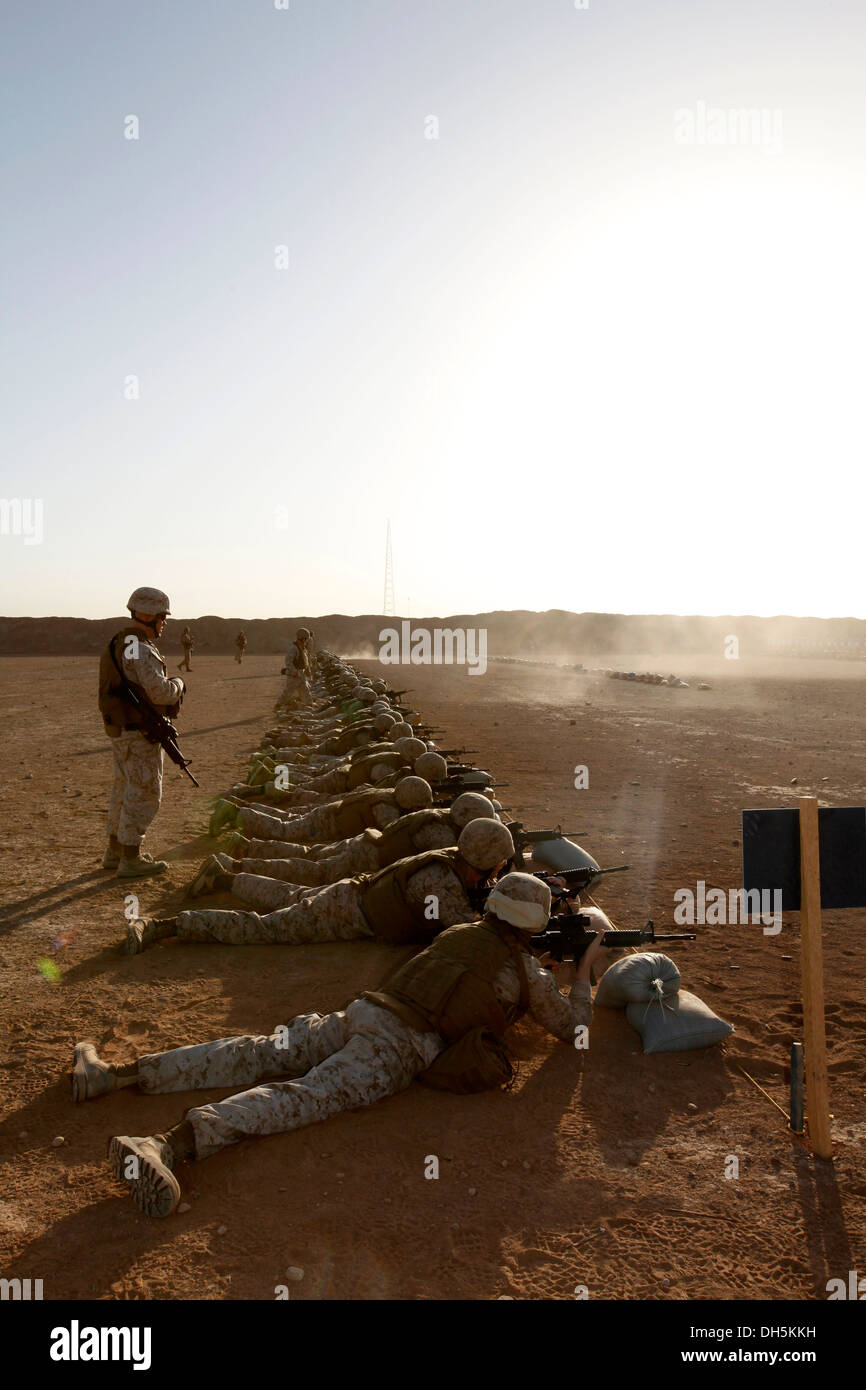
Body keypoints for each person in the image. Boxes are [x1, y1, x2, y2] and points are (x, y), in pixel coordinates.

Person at [71, 872, 610, 1218]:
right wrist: (583, 973)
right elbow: (572, 1030)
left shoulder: (457, 933)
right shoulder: (527, 975)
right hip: (394, 1048)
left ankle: (116, 1073)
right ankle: (170, 1145)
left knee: (257, 1050)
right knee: (305, 1096)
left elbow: (473, 973)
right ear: (536, 922)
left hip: (361, 1012)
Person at [123, 818, 516, 951]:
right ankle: (168, 926)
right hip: (342, 913)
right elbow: (471, 933)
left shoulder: (448, 855)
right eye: (498, 867)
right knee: (264, 929)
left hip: (352, 891)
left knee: (286, 895)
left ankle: (226, 876)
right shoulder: (441, 885)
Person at [97, 587, 185, 878]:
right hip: (138, 733)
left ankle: (115, 851)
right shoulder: (140, 648)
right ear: (149, 615)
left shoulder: (120, 643)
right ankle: (130, 859)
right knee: (144, 791)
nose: (164, 623)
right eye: (162, 617)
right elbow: (159, 693)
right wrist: (179, 685)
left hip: (122, 729)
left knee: (123, 789)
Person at [278, 627, 312, 707]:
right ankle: (278, 705)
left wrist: (307, 670)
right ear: (302, 638)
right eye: (306, 639)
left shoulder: (302, 648)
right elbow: (288, 662)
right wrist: (294, 671)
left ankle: (309, 706)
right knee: (288, 692)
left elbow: (305, 661)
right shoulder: (293, 648)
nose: (306, 641)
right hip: (294, 675)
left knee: (306, 690)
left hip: (301, 674)